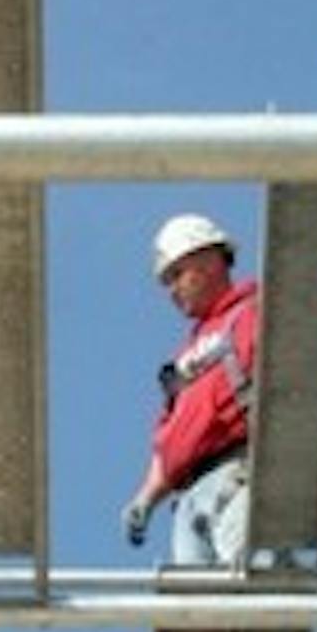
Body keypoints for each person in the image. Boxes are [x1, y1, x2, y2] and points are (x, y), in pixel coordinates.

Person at [121, 211, 258, 568]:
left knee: (247, 591)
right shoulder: (185, 357)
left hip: (239, 475)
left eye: (177, 275)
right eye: (166, 281)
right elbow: (168, 441)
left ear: (210, 261)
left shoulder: (251, 313)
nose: (172, 290)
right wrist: (146, 500)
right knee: (200, 613)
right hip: (191, 500)